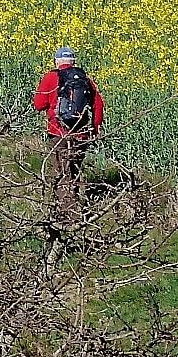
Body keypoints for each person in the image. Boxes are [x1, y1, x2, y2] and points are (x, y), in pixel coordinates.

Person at [32, 46, 103, 224]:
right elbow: (98, 105)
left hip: (58, 132)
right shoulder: (85, 78)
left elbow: (39, 104)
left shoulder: (50, 77)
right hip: (81, 133)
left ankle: (69, 218)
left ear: (57, 62)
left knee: (62, 173)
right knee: (75, 170)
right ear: (74, 62)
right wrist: (94, 129)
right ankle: (81, 207)